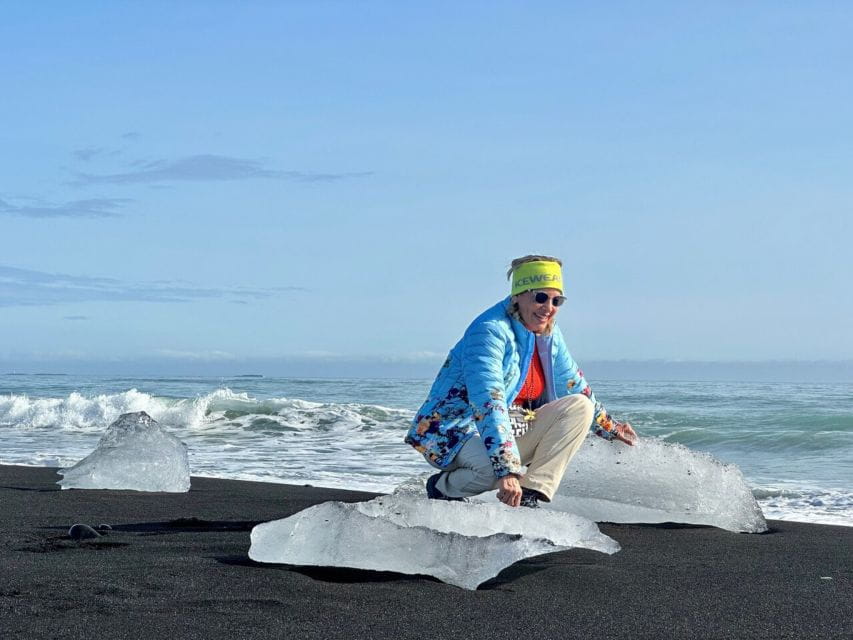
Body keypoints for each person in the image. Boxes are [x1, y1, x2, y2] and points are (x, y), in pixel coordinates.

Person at [405, 255, 637, 508]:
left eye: (556, 300)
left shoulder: (548, 334)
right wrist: (507, 469)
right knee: (494, 470)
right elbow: (487, 402)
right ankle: (442, 487)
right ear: (518, 295)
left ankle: (531, 492)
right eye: (540, 297)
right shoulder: (489, 331)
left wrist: (611, 428)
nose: (548, 307)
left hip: (510, 425)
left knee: (580, 406)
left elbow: (573, 384)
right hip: (453, 432)